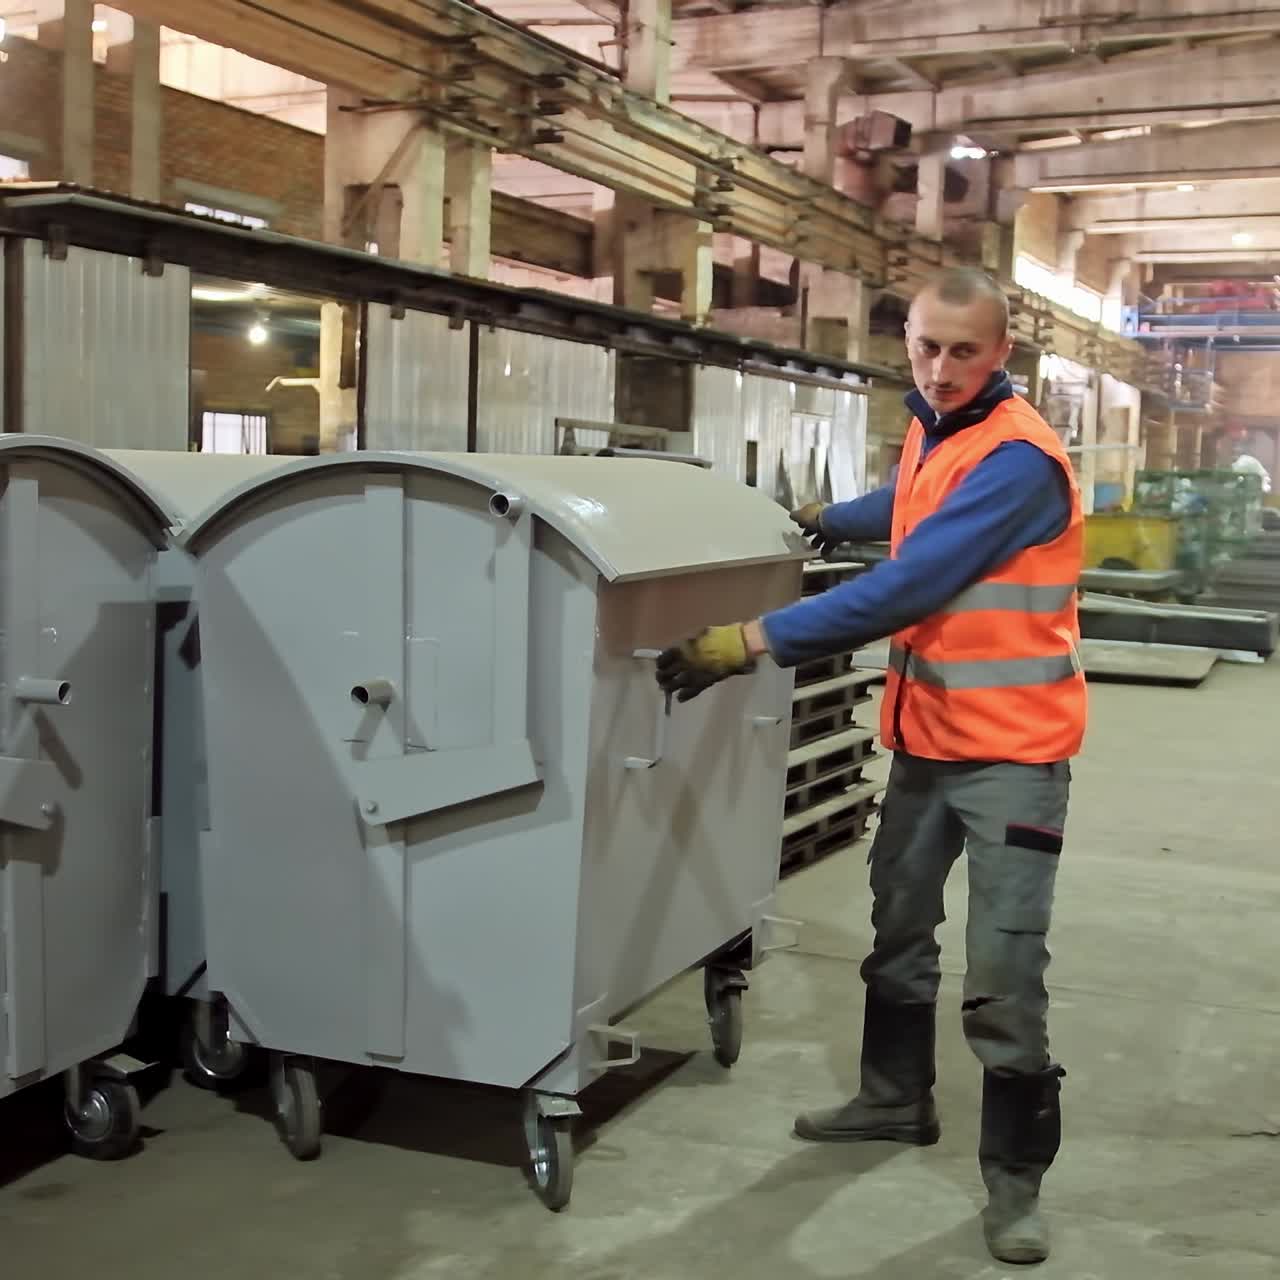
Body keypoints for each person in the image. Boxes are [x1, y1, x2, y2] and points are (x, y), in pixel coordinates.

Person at [656, 267, 1087, 1266]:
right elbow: (901, 503)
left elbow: (909, 586)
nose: (938, 369)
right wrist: (818, 516)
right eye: (924, 347)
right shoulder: (943, 434)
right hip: (926, 744)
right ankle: (893, 1100)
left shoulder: (1017, 460)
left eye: (962, 351)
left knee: (1001, 976)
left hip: (1011, 758)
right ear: (907, 341)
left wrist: (744, 640)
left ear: (1000, 355)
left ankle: (1014, 1185)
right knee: (896, 934)